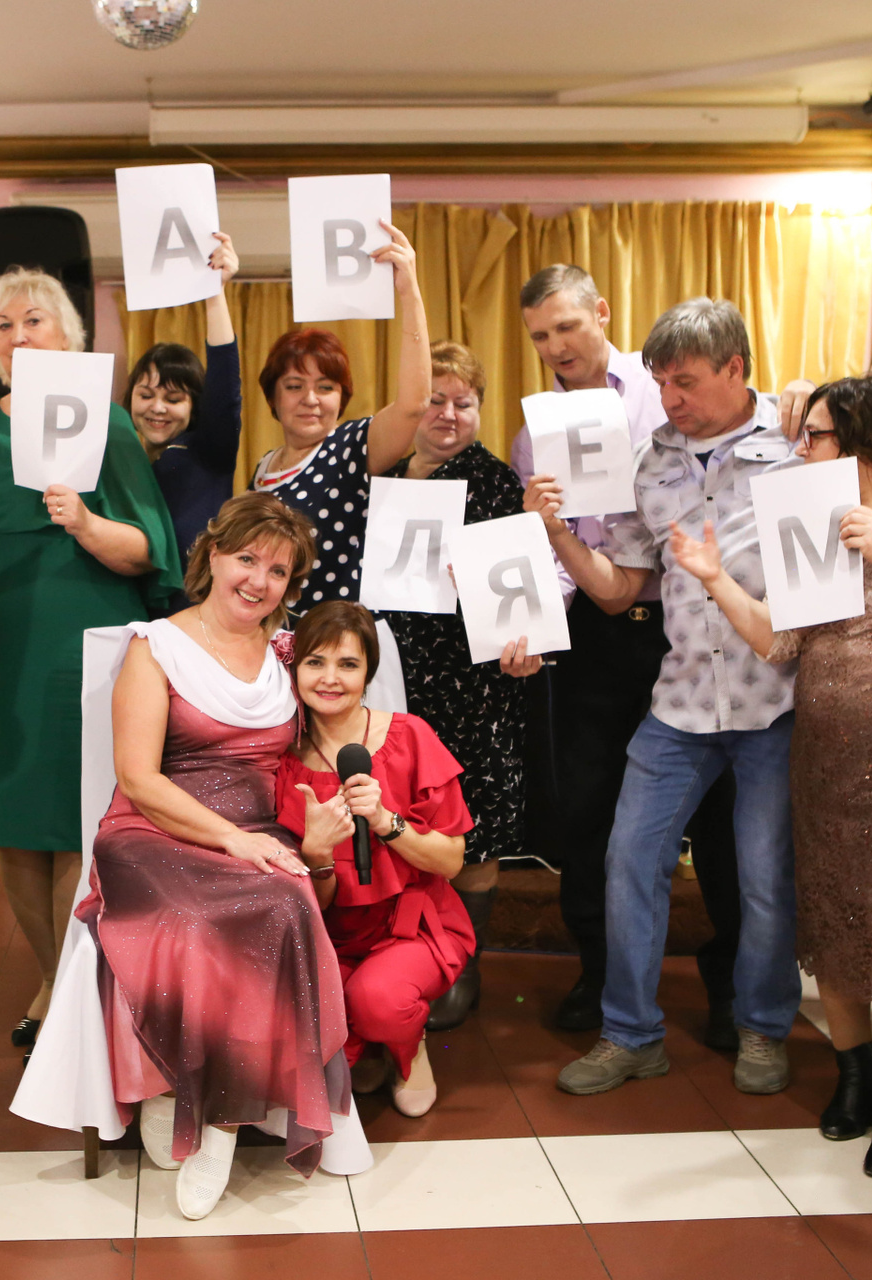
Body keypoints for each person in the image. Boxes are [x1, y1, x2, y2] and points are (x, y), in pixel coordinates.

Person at [668, 372, 872, 1176]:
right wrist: (715, 578)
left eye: (814, 435)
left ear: (864, 438)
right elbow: (780, 641)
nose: (802, 447)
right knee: (835, 922)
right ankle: (852, 1080)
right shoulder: (809, 511)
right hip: (826, 753)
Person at [509, 266, 746, 1043]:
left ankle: (730, 985)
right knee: (590, 812)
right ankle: (602, 974)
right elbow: (545, 556)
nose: (555, 346)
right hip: (596, 629)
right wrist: (529, 620)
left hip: (690, 621)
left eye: (566, 327)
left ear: (602, 313)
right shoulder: (532, 433)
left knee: (719, 815)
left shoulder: (660, 389)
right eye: (540, 336)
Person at [89, 491, 340, 1220]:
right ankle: (174, 1084)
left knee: (287, 901)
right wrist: (231, 839)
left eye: (278, 570)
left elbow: (345, 715)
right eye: (246, 559)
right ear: (213, 555)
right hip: (152, 829)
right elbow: (139, 777)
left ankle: (221, 1119)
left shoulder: (290, 654)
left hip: (259, 828)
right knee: (192, 920)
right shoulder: (155, 646)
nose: (258, 580)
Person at [0, 268, 183, 1052]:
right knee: (15, 824)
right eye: (4, 325)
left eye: (35, 321)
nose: (20, 336)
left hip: (86, 645)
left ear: (68, 338)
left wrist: (85, 523)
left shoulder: (107, 423)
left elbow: (150, 549)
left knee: (78, 822)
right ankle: (58, 976)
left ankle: (83, 992)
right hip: (7, 649)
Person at [371, 343, 546, 1031]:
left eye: (463, 403)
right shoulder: (380, 472)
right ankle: (403, 956)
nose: (448, 414)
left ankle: (462, 964)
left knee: (474, 829)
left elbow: (522, 597)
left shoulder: (496, 482)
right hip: (391, 677)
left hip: (473, 687)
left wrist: (516, 635)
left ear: (480, 410)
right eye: (435, 400)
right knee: (398, 818)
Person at [276, 602, 477, 1118]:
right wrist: (317, 853)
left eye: (348, 664)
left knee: (379, 1001)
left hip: (412, 926)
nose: (330, 678)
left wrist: (388, 822)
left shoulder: (409, 735)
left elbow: (451, 861)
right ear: (295, 668)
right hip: (332, 935)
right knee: (313, 1040)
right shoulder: (284, 762)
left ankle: (408, 1048)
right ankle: (366, 1042)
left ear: (368, 672)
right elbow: (313, 900)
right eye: (315, 662)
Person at [250, 223, 431, 610]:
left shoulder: (351, 446)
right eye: (294, 386)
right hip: (274, 638)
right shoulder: (264, 466)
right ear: (273, 396)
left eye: (326, 387)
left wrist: (409, 293)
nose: (310, 399)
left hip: (339, 638)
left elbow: (414, 404)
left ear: (342, 396)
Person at [128, 231, 244, 567]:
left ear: (195, 405)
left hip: (196, 599)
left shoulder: (208, 451)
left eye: (174, 398)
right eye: (146, 394)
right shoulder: (125, 461)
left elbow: (224, 383)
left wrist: (215, 293)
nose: (157, 408)